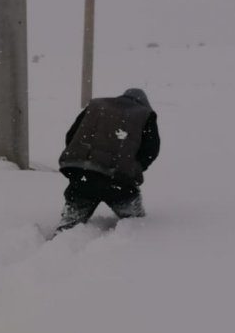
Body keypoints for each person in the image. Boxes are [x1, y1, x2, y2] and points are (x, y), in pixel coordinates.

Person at [56, 88, 160, 233]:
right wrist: (134, 167)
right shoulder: (145, 114)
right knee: (136, 224)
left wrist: (84, 161)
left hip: (82, 176)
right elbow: (151, 150)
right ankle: (131, 247)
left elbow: (72, 136)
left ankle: (57, 245)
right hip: (119, 182)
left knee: (69, 226)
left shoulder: (96, 106)